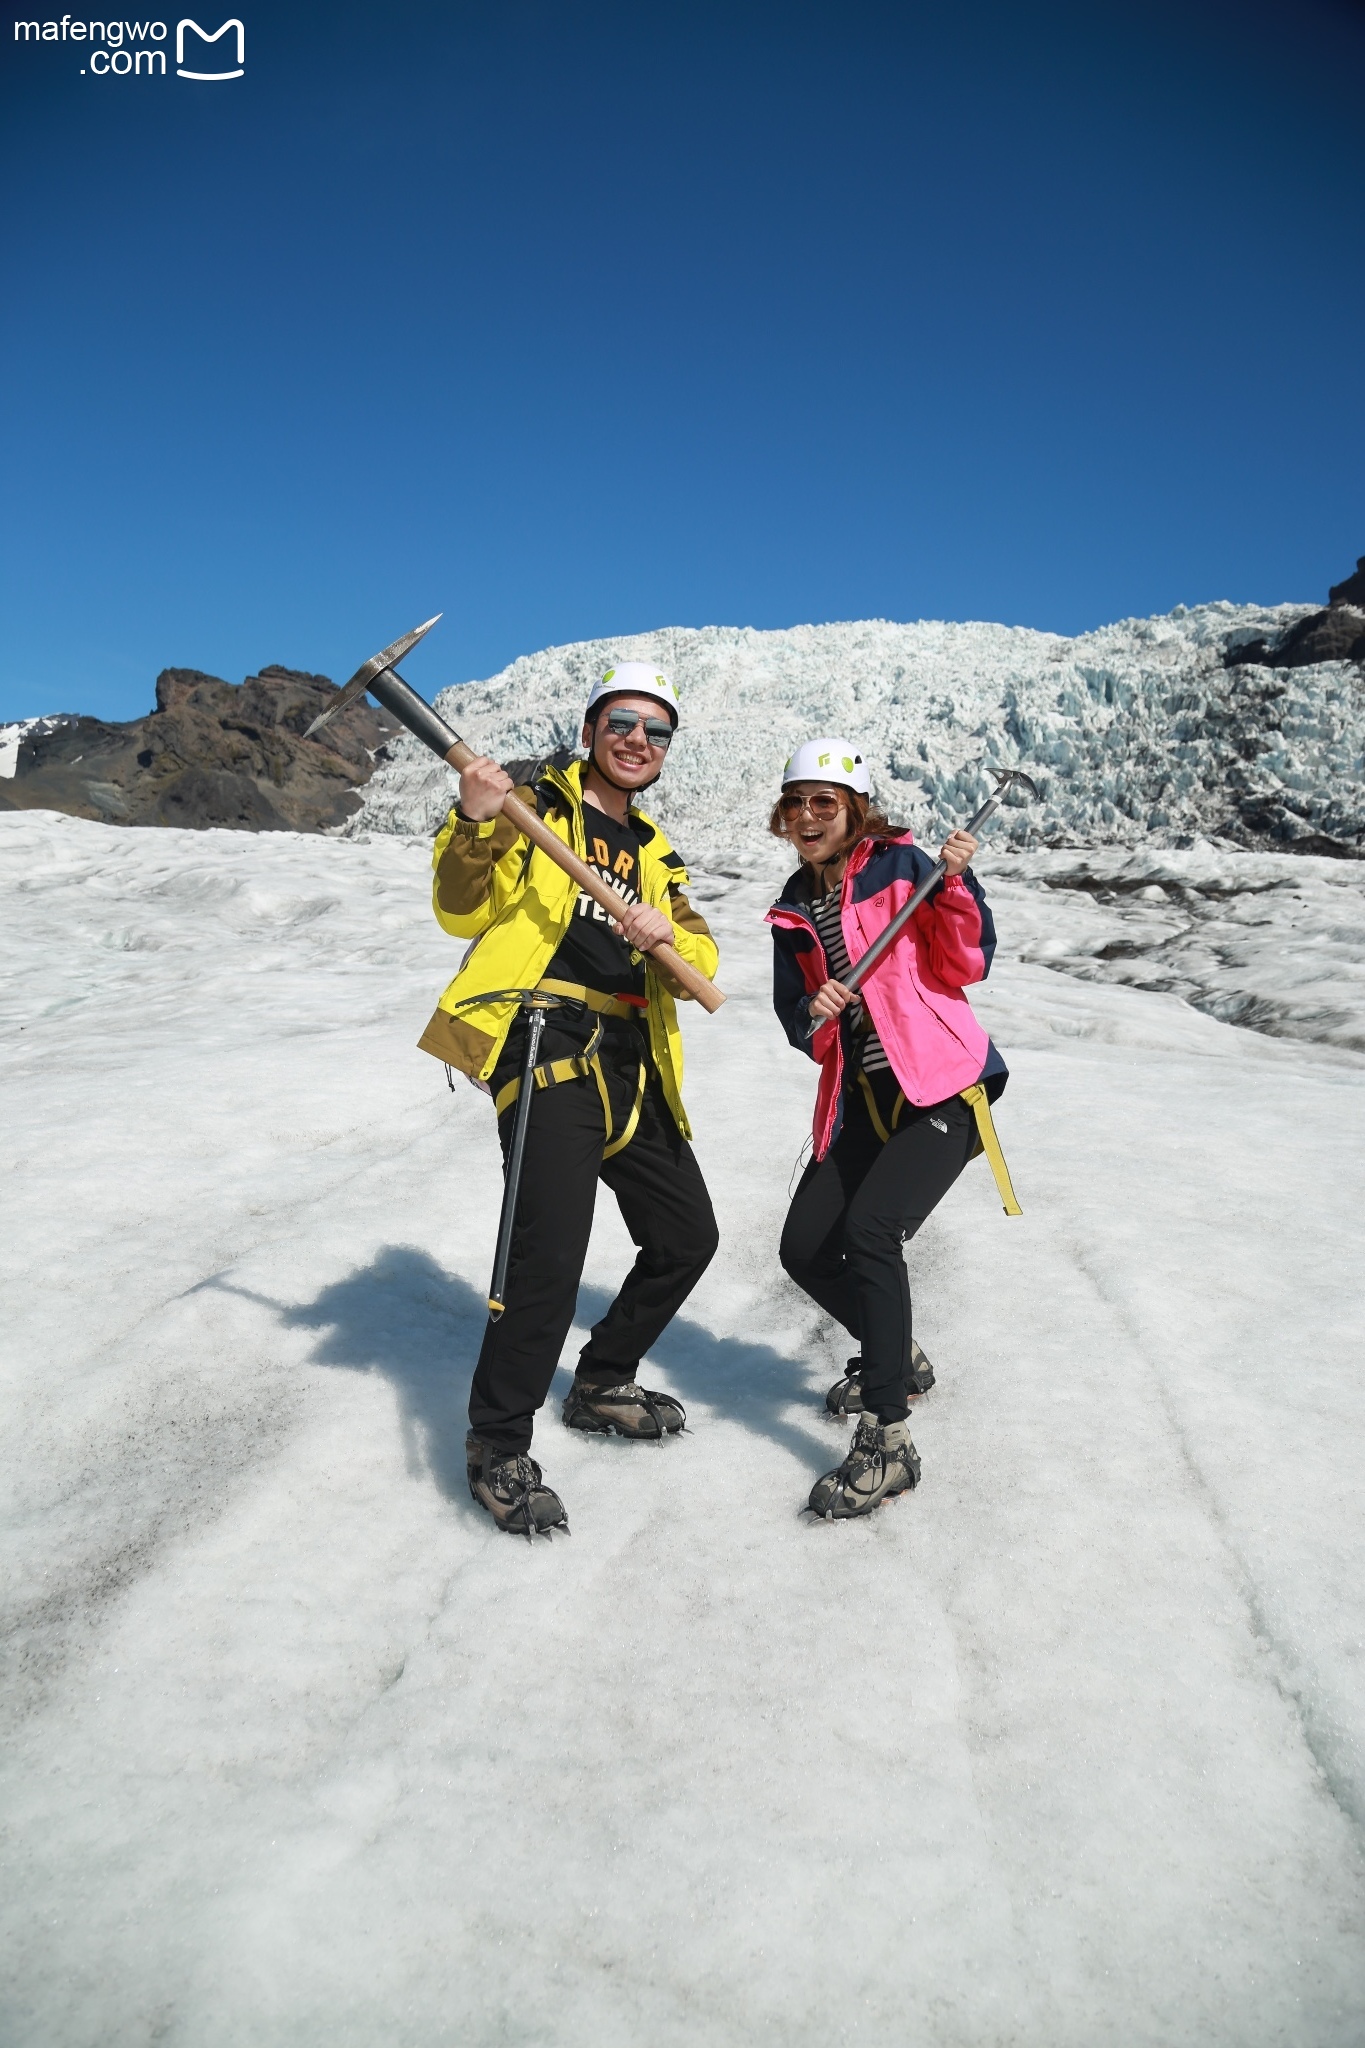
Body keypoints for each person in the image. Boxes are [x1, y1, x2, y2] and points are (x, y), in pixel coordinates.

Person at [416, 663, 721, 1536]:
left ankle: (599, 1381)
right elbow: (458, 907)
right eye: (622, 722)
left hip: (635, 1060)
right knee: (547, 1256)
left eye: (656, 731)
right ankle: (497, 1443)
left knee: (685, 1236)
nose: (638, 741)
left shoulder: (657, 855)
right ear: (590, 730)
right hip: (548, 1043)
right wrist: (475, 818)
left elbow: (701, 958)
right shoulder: (532, 810)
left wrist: (676, 934)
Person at [766, 738, 1014, 1521]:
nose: (808, 816)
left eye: (824, 802)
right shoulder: (790, 908)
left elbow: (965, 963)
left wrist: (956, 884)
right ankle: (892, 1352)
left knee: (871, 1234)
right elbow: (791, 1018)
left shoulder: (906, 868)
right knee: (804, 1247)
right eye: (796, 803)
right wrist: (814, 1013)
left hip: (942, 1086)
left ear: (854, 810)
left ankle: (889, 1438)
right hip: (861, 1097)